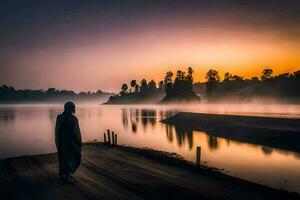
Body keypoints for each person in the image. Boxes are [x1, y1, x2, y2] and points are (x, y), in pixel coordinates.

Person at [55, 102, 82, 183]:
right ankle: (67, 177)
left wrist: (57, 141)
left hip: (61, 142)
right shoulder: (73, 119)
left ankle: (64, 175)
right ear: (71, 109)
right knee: (72, 157)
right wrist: (79, 142)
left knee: (63, 158)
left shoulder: (59, 117)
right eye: (73, 108)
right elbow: (76, 132)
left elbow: (57, 131)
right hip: (71, 143)